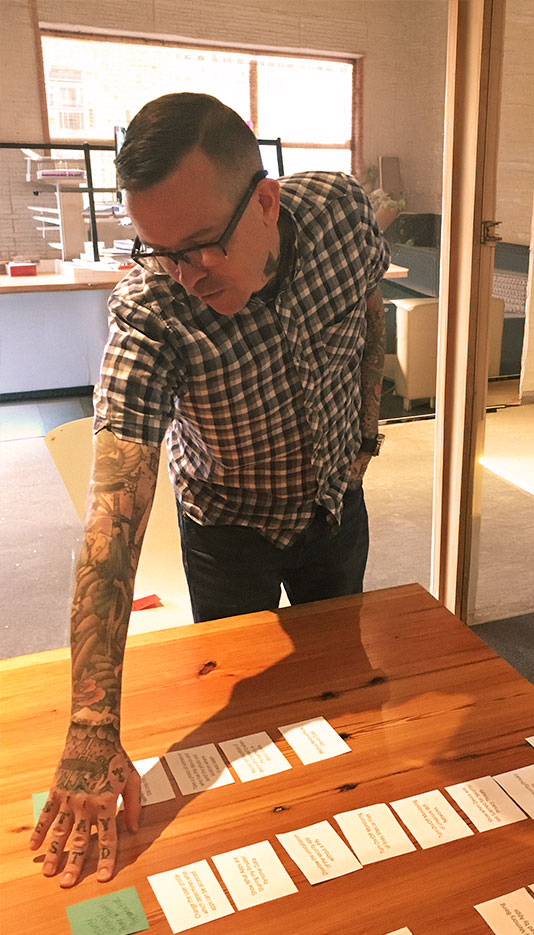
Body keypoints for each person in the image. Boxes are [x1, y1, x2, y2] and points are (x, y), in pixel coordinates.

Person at [29, 93, 390, 889]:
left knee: (343, 687)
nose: (186, 276)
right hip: (227, 526)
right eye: (158, 250)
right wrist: (93, 729)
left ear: (265, 201)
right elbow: (111, 521)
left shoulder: (339, 212)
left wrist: (367, 420)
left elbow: (367, 310)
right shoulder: (151, 308)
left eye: (200, 247)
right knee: (245, 723)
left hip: (335, 503)